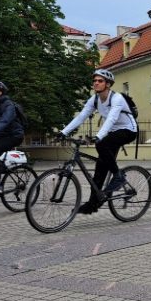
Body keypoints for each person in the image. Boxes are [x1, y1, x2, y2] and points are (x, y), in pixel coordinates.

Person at [57, 69, 138, 214]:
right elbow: (81, 117)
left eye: (100, 81)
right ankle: (92, 205)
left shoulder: (116, 98)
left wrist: (99, 136)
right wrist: (63, 132)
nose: (96, 83)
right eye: (94, 81)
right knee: (100, 170)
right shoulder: (94, 99)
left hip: (128, 130)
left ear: (108, 84)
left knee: (102, 144)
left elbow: (112, 118)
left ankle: (118, 176)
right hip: (113, 132)